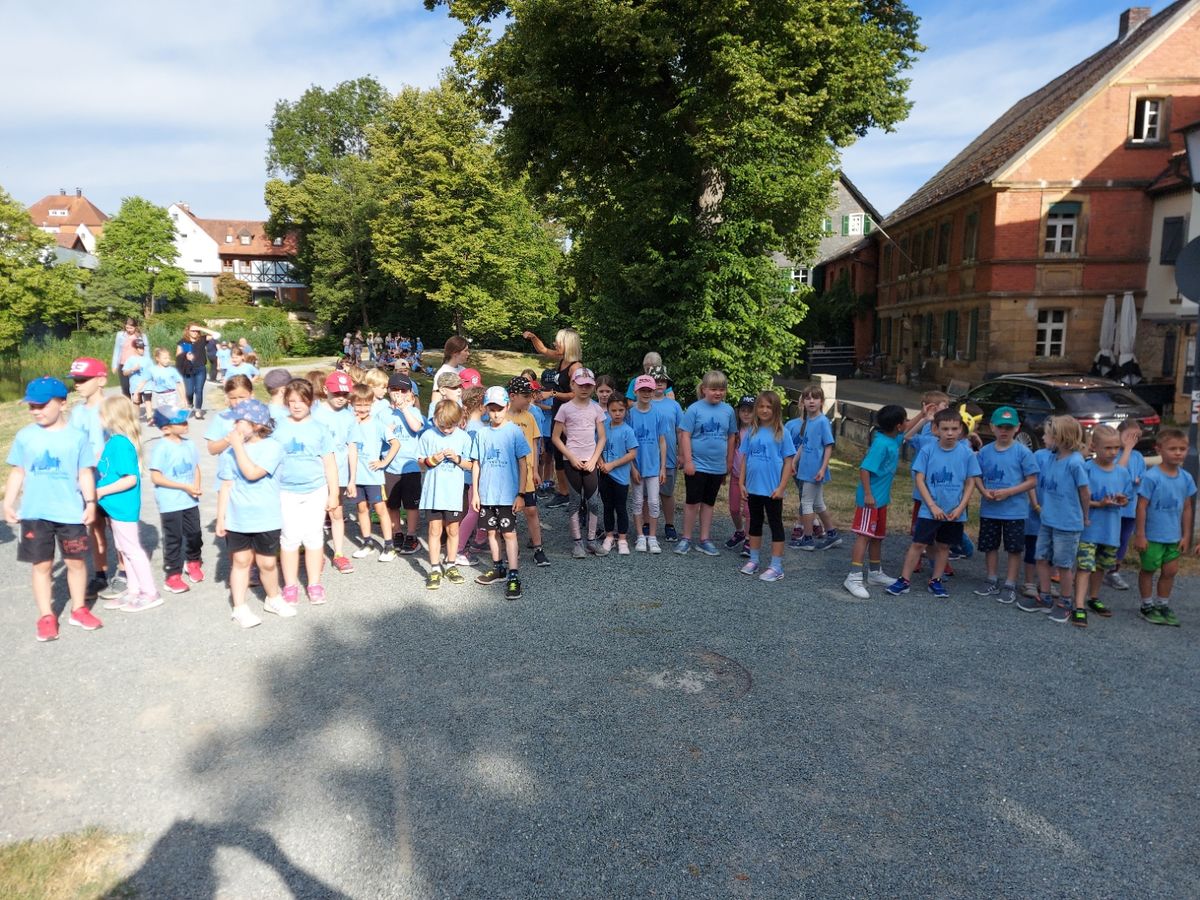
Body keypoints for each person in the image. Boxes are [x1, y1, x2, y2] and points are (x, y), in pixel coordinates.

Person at [4, 377, 99, 642]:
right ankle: (46, 615)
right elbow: (18, 471)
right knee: (42, 565)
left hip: (70, 513)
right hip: (35, 514)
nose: (36, 411)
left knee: (75, 562)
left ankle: (78, 609)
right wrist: (8, 502)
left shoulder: (77, 438)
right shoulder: (25, 436)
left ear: (63, 403)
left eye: (42, 405)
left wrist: (91, 503)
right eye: (31, 406)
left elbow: (84, 473)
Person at [886, 408, 980, 597]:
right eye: (945, 429)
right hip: (929, 510)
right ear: (936, 429)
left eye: (954, 429)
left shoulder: (967, 453)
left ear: (961, 429)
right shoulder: (928, 450)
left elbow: (971, 482)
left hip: (954, 512)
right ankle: (904, 580)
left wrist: (961, 507)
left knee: (944, 546)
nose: (950, 433)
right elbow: (920, 479)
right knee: (918, 543)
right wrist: (932, 505)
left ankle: (936, 580)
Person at [215, 399, 286, 627]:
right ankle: (239, 607)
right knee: (240, 561)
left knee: (267, 563)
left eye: (240, 421)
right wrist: (221, 517)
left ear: (257, 425)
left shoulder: (272, 447)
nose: (234, 426)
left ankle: (273, 598)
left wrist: (237, 446)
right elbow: (226, 485)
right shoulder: (229, 452)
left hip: (266, 517)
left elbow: (253, 473)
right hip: (238, 518)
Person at [274, 379, 339, 608]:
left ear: (310, 401)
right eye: (291, 401)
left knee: (313, 537)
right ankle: (290, 585)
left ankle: (314, 584)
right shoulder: (278, 427)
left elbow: (330, 464)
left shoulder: (320, 429)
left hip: (315, 490)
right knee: (289, 537)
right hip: (286, 491)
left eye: (301, 401)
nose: (296, 405)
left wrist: (333, 494)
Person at [96, 395, 161, 612]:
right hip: (114, 507)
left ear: (111, 417)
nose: (99, 418)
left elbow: (130, 479)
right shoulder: (113, 441)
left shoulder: (121, 444)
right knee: (123, 549)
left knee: (132, 550)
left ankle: (150, 592)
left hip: (122, 507)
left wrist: (100, 491)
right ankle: (133, 591)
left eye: (101, 414)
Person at [971, 406, 1039, 605]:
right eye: (1000, 426)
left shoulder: (1023, 452)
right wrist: (983, 491)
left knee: (1014, 548)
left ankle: (1010, 583)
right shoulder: (985, 452)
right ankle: (991, 578)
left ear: (1017, 428)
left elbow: (1032, 481)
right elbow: (976, 475)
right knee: (990, 545)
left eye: (1008, 427)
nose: (1004, 431)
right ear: (992, 427)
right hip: (990, 508)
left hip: (1014, 511)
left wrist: (1009, 492)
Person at [1026, 416, 1090, 622]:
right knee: (1041, 557)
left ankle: (1065, 602)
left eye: (1047, 435)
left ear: (1060, 437)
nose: (1043, 438)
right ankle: (1045, 597)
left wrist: (1085, 516)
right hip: (1048, 520)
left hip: (1067, 523)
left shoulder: (1075, 462)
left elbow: (1084, 492)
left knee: (1063, 564)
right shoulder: (1052, 458)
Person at [471, 386, 532, 599]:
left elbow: (523, 464)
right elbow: (476, 463)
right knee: (491, 532)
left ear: (507, 406)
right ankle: (498, 568)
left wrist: (521, 494)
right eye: (492, 409)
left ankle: (514, 575)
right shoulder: (481, 433)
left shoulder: (514, 431)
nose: (495, 413)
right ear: (486, 409)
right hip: (487, 494)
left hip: (507, 495)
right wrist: (476, 493)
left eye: (499, 408)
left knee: (509, 533)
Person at [1071, 425, 1133, 627]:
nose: (1113, 452)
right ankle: (1078, 605)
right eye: (1108, 448)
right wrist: (1099, 504)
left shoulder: (1122, 472)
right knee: (1085, 567)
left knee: (1100, 566)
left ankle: (1094, 597)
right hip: (1089, 529)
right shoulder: (1086, 468)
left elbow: (1127, 497)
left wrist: (1123, 500)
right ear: (1094, 446)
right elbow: (1077, 498)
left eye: (1116, 447)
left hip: (1110, 530)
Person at [843, 404, 907, 599]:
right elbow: (865, 469)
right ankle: (853, 577)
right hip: (870, 501)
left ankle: (874, 573)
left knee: (877, 537)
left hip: (880, 500)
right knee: (864, 536)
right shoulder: (881, 445)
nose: (907, 423)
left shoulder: (892, 439)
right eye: (905, 420)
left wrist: (924, 415)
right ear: (898, 426)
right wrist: (868, 495)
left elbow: (910, 429)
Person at [1133, 428, 1196, 626]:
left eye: (1182, 449)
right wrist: (1140, 534)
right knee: (1148, 569)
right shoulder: (1151, 477)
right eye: (1172, 449)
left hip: (1173, 537)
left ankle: (1162, 604)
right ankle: (1146, 605)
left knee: (1170, 572)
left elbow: (1187, 508)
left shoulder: (1186, 478)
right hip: (1152, 536)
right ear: (1159, 449)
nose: (1178, 453)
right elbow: (1141, 506)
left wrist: (1186, 535)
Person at [676, 370, 737, 556]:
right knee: (692, 502)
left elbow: (731, 436)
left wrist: (729, 462)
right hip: (697, 465)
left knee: (709, 503)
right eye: (713, 389)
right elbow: (685, 435)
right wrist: (688, 461)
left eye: (721, 389)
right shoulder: (694, 409)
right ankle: (686, 538)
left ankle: (704, 539)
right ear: (704, 389)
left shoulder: (728, 411)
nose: (718, 393)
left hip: (717, 467)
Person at [736, 391, 795, 583]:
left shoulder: (782, 432)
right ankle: (753, 560)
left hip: (772, 490)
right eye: (761, 406)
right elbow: (745, 458)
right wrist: (741, 483)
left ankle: (776, 566)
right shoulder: (752, 431)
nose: (764, 410)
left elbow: (788, 462)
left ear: (776, 409)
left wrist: (782, 487)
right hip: (753, 488)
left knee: (776, 524)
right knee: (754, 523)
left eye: (769, 407)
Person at [67, 357, 113, 601]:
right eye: (76, 380)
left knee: (118, 527)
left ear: (101, 380)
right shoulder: (76, 413)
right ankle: (100, 574)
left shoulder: (112, 408)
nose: (78, 384)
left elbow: (124, 441)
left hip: (112, 479)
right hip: (88, 480)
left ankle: (125, 573)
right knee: (95, 527)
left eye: (83, 379)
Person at [523, 327, 584, 507]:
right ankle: (564, 493)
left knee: (569, 454)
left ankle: (577, 494)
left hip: (570, 416)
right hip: (558, 413)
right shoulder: (562, 359)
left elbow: (577, 394)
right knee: (558, 454)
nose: (555, 344)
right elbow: (542, 350)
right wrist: (533, 337)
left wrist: (552, 393)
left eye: (559, 341)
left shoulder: (576, 367)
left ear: (568, 344)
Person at [418, 399, 474, 590]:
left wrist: (457, 458)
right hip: (434, 494)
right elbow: (420, 462)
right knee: (434, 530)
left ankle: (451, 564)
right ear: (435, 419)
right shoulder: (428, 435)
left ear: (458, 422)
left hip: (453, 494)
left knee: (453, 530)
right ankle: (435, 568)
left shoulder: (463, 438)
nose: (446, 430)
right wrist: (432, 460)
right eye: (442, 426)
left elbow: (470, 465)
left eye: (450, 427)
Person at [552, 367, 607, 558]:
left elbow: (602, 437)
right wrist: (571, 457)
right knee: (575, 501)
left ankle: (591, 540)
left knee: (594, 502)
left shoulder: (596, 408)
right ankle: (577, 542)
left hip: (590, 461)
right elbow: (556, 437)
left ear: (593, 387)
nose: (584, 389)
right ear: (573, 385)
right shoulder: (565, 408)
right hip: (572, 461)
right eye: (581, 385)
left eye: (588, 386)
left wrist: (594, 459)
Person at [149, 408, 204, 595]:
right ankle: (172, 575)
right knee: (174, 538)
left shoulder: (190, 444)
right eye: (180, 423)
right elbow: (156, 477)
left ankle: (193, 561)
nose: (185, 425)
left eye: (185, 421)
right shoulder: (162, 448)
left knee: (195, 533)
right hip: (170, 502)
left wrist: (195, 487)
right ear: (166, 428)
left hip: (190, 500)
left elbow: (196, 468)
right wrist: (183, 487)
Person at [313, 372, 359, 574]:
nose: (341, 397)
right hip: (316, 473)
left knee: (336, 512)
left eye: (345, 393)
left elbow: (352, 446)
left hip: (339, 473)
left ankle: (339, 553)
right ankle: (315, 552)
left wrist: (352, 479)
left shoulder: (349, 415)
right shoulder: (314, 413)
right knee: (315, 514)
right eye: (336, 393)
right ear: (326, 390)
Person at [348, 383, 399, 561]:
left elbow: (395, 444)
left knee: (380, 508)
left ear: (371, 404)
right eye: (358, 405)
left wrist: (383, 462)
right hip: (356, 476)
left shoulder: (377, 424)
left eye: (366, 405)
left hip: (373, 476)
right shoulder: (350, 424)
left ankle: (389, 546)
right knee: (361, 508)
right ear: (351, 404)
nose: (362, 409)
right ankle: (367, 542)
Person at [786, 385, 841, 551]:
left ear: (821, 402)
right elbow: (804, 444)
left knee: (807, 502)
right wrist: (794, 462)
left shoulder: (823, 421)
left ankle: (808, 539)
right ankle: (832, 534)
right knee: (818, 504)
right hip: (805, 468)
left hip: (815, 470)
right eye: (808, 398)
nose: (811, 401)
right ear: (803, 402)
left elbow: (828, 446)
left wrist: (823, 469)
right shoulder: (808, 421)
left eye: (815, 398)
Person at [506, 376, 550, 566]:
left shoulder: (530, 417)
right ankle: (511, 547)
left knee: (531, 510)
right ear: (512, 396)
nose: (529, 400)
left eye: (530, 396)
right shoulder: (503, 417)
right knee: (509, 512)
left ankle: (538, 548)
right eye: (525, 396)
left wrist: (536, 471)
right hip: (508, 475)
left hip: (528, 473)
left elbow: (534, 445)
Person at [382, 372, 426, 556]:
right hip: (390, 466)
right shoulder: (383, 413)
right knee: (392, 504)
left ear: (410, 393)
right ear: (388, 391)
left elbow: (417, 427)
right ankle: (397, 532)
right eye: (395, 390)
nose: (399, 394)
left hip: (410, 466)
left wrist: (404, 409)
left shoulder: (413, 411)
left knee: (411, 504)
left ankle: (411, 534)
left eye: (403, 390)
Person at [627, 375, 669, 553]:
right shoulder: (630, 414)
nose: (646, 393)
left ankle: (652, 537)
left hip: (653, 467)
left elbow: (662, 441)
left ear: (653, 392)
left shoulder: (658, 414)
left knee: (653, 502)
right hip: (636, 465)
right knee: (637, 501)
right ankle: (640, 536)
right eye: (642, 390)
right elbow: (626, 443)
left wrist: (663, 467)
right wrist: (632, 467)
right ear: (636, 391)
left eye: (649, 390)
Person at [1104, 419, 1146, 591]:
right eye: (1129, 436)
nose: (1132, 441)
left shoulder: (1138, 457)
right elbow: (1117, 472)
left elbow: (1143, 477)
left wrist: (1139, 480)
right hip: (1112, 507)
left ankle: (1114, 571)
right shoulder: (1113, 454)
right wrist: (1127, 449)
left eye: (1136, 437)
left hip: (1130, 508)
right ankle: (1098, 567)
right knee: (1108, 538)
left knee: (1123, 539)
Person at [598, 393, 639, 556]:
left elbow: (632, 454)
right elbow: (597, 445)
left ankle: (622, 538)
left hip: (620, 476)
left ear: (626, 410)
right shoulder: (603, 427)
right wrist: (601, 462)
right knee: (607, 506)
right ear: (608, 410)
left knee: (621, 507)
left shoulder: (627, 431)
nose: (617, 414)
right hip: (604, 474)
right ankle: (609, 535)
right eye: (613, 410)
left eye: (621, 410)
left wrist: (612, 465)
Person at [650, 366, 683, 541]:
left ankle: (669, 524)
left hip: (668, 456)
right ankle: (647, 524)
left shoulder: (674, 405)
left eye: (662, 380)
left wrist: (682, 453)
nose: (659, 383)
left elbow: (680, 431)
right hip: (647, 457)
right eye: (656, 380)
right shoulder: (643, 403)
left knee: (667, 493)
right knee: (647, 494)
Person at [726, 396, 756, 551]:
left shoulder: (758, 432)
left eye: (750, 411)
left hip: (752, 479)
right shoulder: (735, 432)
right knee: (734, 509)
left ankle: (749, 540)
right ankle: (740, 532)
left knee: (749, 511)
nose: (746, 414)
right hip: (736, 475)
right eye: (743, 410)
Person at [177, 323, 219, 420]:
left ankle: (198, 411)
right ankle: (190, 403)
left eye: (197, 331)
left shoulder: (202, 339)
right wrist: (184, 357)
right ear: (188, 331)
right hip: (188, 369)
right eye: (193, 330)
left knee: (199, 390)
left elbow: (217, 335)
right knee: (189, 392)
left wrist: (200, 328)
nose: (195, 332)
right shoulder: (182, 342)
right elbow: (178, 357)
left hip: (200, 369)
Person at [204, 375, 255, 456]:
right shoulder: (221, 417)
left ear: (251, 394)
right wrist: (229, 439)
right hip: (228, 464)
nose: (238, 402)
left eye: (242, 397)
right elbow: (212, 449)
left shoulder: (260, 416)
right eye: (233, 398)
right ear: (227, 397)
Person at [146, 348, 188, 417]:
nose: (167, 360)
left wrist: (183, 398)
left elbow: (180, 384)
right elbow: (145, 381)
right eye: (165, 358)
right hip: (159, 395)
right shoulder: (152, 370)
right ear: (157, 358)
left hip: (171, 394)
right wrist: (138, 391)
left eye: (168, 358)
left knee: (170, 413)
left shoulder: (172, 370)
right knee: (163, 414)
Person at [431, 336, 471, 405]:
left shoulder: (464, 370)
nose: (468, 353)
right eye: (465, 351)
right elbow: (435, 403)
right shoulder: (442, 373)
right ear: (455, 353)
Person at [111, 317, 142, 398]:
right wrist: (114, 365)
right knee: (125, 388)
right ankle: (128, 403)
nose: (129, 330)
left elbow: (143, 351)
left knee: (135, 388)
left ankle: (136, 404)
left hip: (135, 365)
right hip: (123, 364)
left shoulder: (139, 336)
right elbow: (116, 350)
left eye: (131, 328)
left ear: (135, 327)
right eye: (127, 327)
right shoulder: (120, 335)